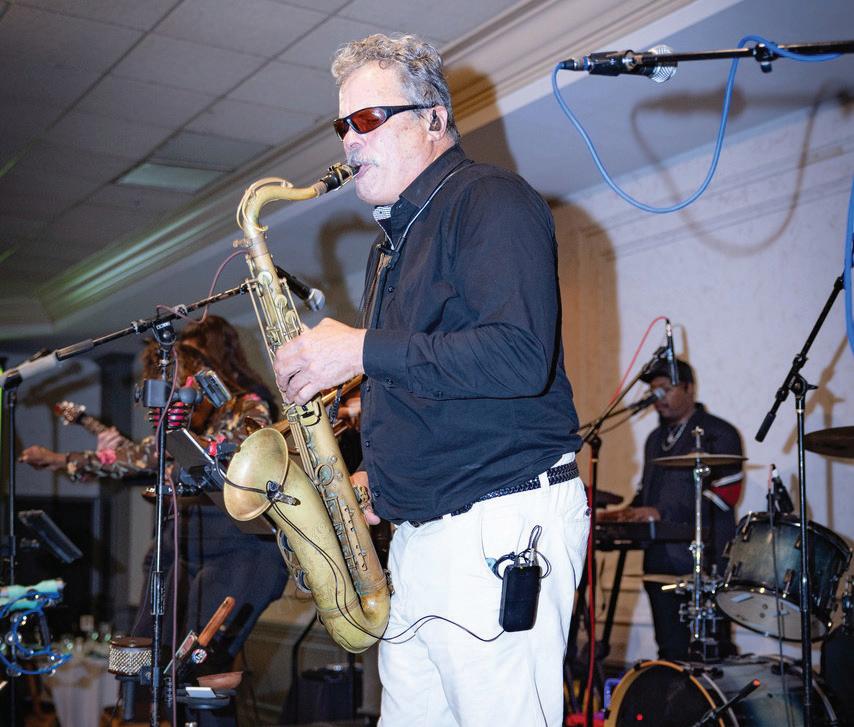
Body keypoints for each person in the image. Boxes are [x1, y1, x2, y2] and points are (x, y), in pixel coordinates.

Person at [272, 33, 589, 727]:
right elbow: (428, 382)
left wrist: (361, 349)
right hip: (422, 536)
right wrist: (375, 483)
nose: (349, 140)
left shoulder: (491, 199)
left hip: (498, 524)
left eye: (367, 119)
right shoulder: (390, 246)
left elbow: (518, 356)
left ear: (434, 118)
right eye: (341, 125)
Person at [21, 321, 288, 726]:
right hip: (184, 543)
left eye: (189, 364)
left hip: (239, 549)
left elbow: (238, 453)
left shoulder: (246, 406)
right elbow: (143, 456)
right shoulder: (183, 423)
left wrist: (183, 451)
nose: (181, 379)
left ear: (212, 361)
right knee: (157, 661)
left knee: (199, 667)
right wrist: (61, 460)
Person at [601, 358, 743, 661]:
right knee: (669, 649)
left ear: (689, 388)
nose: (658, 397)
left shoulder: (719, 433)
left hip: (703, 561)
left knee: (710, 651)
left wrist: (661, 513)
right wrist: (625, 514)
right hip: (659, 560)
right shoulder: (655, 439)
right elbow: (647, 494)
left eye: (666, 388)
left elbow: (726, 496)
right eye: (654, 391)